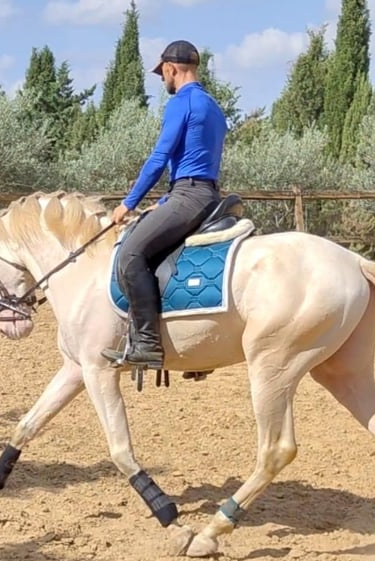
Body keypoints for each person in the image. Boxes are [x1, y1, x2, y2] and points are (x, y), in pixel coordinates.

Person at [101, 40, 228, 370]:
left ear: (172, 69)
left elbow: (160, 158)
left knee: (130, 254)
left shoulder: (181, 103)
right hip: (204, 193)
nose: (162, 80)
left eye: (162, 74)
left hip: (189, 194)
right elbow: (197, 161)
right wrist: (167, 200)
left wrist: (128, 204)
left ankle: (146, 343)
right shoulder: (213, 106)